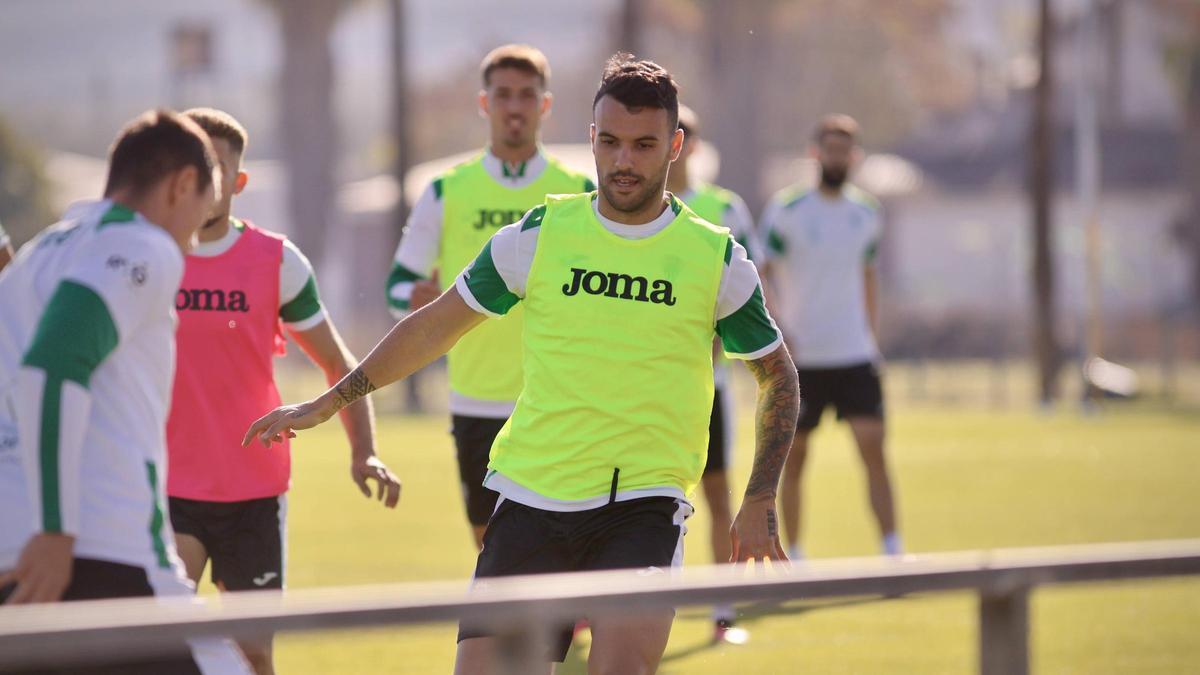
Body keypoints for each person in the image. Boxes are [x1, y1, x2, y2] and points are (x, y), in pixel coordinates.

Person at [247, 52, 799, 675]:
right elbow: (434, 327)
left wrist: (760, 495)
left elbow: (776, 374)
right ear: (591, 138)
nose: (624, 161)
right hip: (532, 501)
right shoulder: (540, 233)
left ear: (674, 145)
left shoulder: (716, 257)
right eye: (611, 142)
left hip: (642, 506)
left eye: (644, 145)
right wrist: (332, 399)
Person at [0, 109, 249, 674]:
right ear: (182, 185)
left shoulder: (39, 253)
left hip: (21, 546)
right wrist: (56, 529)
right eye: (197, 216)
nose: (190, 240)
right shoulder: (144, 245)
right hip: (98, 548)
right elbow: (53, 368)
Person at [166, 108, 400, 675]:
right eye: (196, 165)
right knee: (162, 641)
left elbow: (337, 364)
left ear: (239, 181)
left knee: (253, 654)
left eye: (219, 168)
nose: (207, 179)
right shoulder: (152, 257)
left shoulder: (277, 262)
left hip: (254, 492)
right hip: (168, 488)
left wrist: (362, 448)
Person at [385, 44, 594, 549]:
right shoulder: (445, 190)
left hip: (557, 397)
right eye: (503, 95)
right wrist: (414, 299)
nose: (515, 107)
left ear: (545, 105)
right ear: (485, 104)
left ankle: (566, 623)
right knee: (490, 541)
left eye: (527, 95)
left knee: (567, 532)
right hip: (476, 398)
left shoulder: (582, 189)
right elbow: (396, 287)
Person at [760, 113, 902, 560]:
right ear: (815, 153)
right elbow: (762, 273)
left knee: (874, 451)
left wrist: (871, 337)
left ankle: (893, 551)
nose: (837, 157)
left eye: (846, 150)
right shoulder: (788, 211)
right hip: (804, 360)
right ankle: (796, 556)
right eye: (830, 149)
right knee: (795, 460)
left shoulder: (867, 213)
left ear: (854, 157)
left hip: (855, 355)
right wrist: (782, 330)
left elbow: (868, 276)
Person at [667, 104, 760, 644]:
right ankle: (598, 607)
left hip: (710, 387)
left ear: (688, 144)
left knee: (719, 491)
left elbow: (748, 289)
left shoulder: (723, 208)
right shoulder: (629, 207)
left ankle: (722, 611)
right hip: (646, 389)